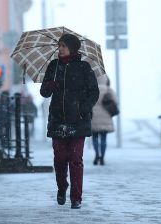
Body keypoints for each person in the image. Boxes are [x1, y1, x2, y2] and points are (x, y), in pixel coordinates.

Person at [40, 34, 99, 209]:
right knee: (59, 160)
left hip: (78, 121)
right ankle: (62, 188)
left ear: (73, 48)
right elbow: (44, 92)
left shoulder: (84, 67)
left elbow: (94, 92)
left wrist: (83, 108)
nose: (61, 49)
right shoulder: (53, 66)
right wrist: (50, 85)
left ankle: (76, 197)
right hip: (58, 120)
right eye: (60, 46)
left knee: (75, 159)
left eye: (64, 46)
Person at [91, 75, 117, 166]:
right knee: (103, 138)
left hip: (93, 117)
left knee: (94, 137)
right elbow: (115, 101)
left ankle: (96, 154)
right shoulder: (108, 90)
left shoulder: (91, 89)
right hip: (106, 117)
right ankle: (102, 157)